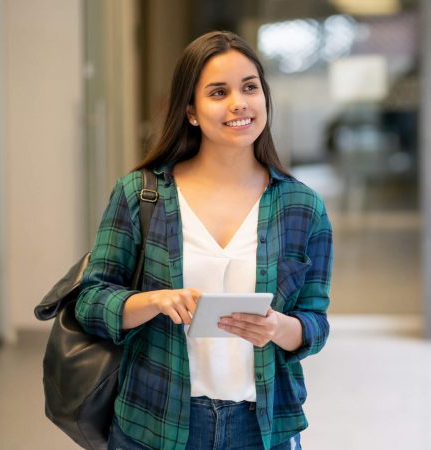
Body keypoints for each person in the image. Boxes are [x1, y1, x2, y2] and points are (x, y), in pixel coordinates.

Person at [75, 30, 332, 450]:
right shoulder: (142, 195)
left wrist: (277, 327)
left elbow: (315, 323)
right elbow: (90, 302)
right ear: (191, 111)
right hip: (155, 422)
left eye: (250, 87)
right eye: (218, 92)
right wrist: (153, 301)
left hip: (262, 427)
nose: (238, 103)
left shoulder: (302, 207)